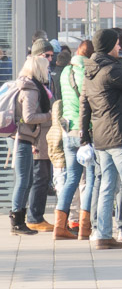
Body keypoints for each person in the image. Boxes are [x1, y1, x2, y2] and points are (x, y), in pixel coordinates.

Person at [79, 28, 122, 249]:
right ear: (109, 46)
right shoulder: (110, 70)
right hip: (119, 135)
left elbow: (85, 105)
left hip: (100, 138)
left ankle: (104, 235)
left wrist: (85, 136)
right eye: (117, 44)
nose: (120, 47)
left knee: (107, 185)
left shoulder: (90, 71)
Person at [9, 55, 52, 235]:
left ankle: (20, 220)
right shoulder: (31, 89)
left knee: (26, 181)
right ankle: (17, 222)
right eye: (46, 68)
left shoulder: (26, 85)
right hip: (23, 138)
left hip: (23, 138)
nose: (48, 71)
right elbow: (29, 117)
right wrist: (49, 116)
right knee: (23, 181)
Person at [61, 40, 95, 239]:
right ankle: (85, 227)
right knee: (90, 179)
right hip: (85, 132)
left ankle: (60, 226)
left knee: (71, 178)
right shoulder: (88, 73)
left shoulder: (66, 72)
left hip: (68, 131)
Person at [25, 39, 56, 232]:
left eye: (52, 56)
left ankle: (37, 215)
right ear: (37, 57)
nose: (50, 59)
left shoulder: (45, 78)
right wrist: (50, 115)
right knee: (39, 177)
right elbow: (29, 115)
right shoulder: (32, 81)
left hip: (44, 134)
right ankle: (34, 216)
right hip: (36, 135)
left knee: (43, 177)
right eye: (46, 56)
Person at [47, 98, 75, 239]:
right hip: (63, 165)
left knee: (62, 192)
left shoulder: (52, 129)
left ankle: (62, 224)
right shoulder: (62, 130)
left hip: (57, 165)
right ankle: (66, 224)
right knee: (68, 193)